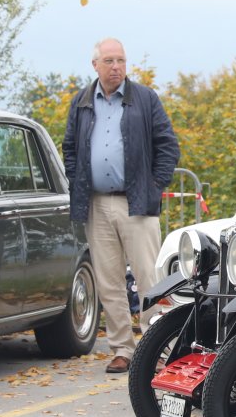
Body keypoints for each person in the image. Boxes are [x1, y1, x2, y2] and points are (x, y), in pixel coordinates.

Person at [62, 37, 180, 374]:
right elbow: (70, 148)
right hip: (96, 203)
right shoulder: (82, 101)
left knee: (148, 278)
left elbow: (168, 146)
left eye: (121, 61)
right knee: (109, 280)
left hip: (137, 202)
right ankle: (122, 349)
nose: (116, 67)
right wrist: (77, 180)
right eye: (109, 61)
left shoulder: (144, 98)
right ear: (95, 65)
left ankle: (158, 348)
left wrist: (154, 186)